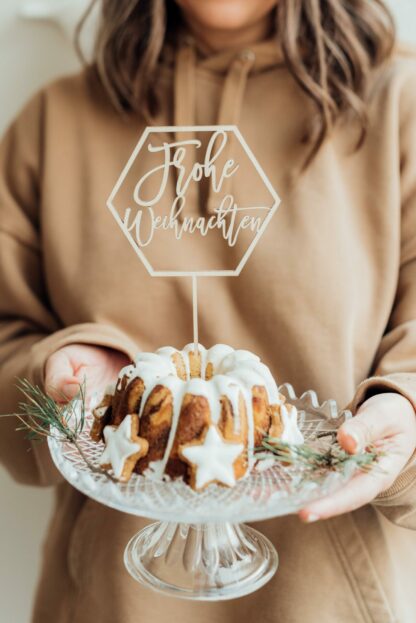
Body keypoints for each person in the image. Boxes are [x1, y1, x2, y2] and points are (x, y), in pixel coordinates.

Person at [1, 0, 416, 621]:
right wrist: (55, 369)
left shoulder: (398, 106)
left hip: (325, 601)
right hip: (108, 602)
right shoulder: (54, 122)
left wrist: (405, 406)